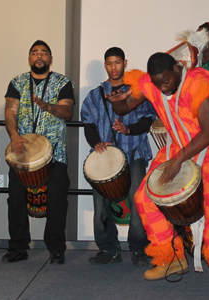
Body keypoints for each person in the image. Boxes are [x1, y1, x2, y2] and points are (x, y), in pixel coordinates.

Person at [107, 52, 209, 290]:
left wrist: (179, 159)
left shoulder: (199, 82)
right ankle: (172, 258)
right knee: (143, 198)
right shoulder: (152, 82)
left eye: (166, 82)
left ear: (178, 69)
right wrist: (116, 100)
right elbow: (125, 107)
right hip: (177, 146)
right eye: (157, 84)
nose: (163, 89)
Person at [80, 47, 155, 266]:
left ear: (125, 63)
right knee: (100, 202)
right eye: (109, 63)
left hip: (135, 151)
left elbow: (148, 119)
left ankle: (139, 248)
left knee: (138, 200)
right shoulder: (95, 95)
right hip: (105, 157)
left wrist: (128, 129)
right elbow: (88, 123)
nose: (114, 67)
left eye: (117, 62)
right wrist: (96, 143)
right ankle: (108, 249)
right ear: (106, 65)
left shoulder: (136, 90)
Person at [3, 40, 75, 264]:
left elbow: (67, 112)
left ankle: (56, 248)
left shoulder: (63, 82)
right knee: (15, 197)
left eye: (44, 53)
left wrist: (47, 106)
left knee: (57, 198)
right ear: (29, 59)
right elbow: (9, 113)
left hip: (54, 153)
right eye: (35, 53)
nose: (39, 56)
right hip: (22, 151)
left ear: (50, 59)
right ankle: (18, 246)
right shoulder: (17, 82)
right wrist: (14, 137)